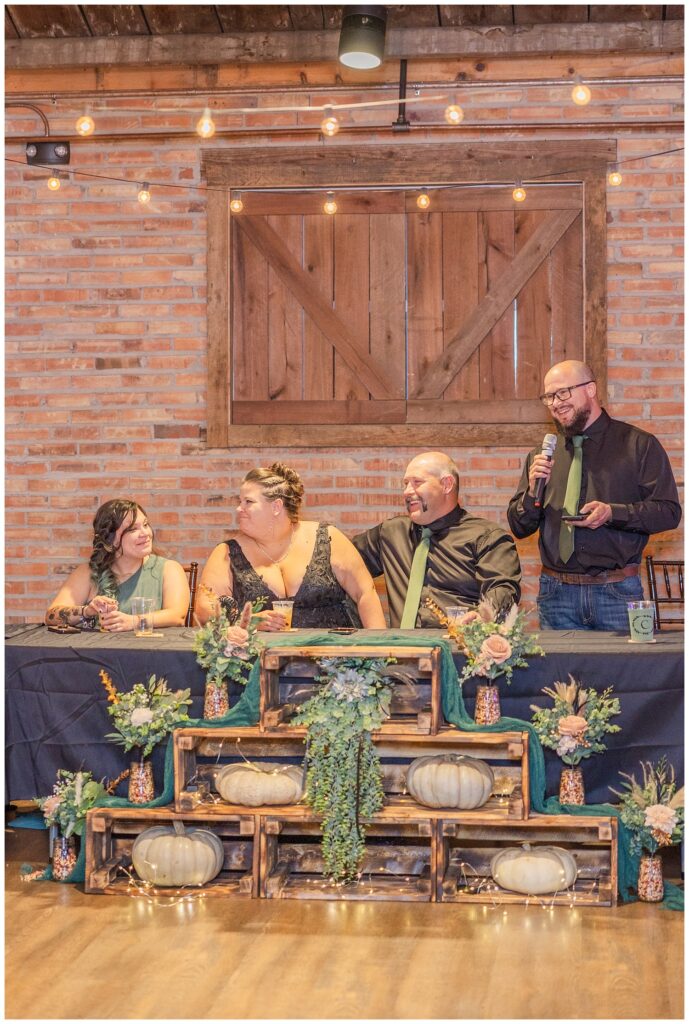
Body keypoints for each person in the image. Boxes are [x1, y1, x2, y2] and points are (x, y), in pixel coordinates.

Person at [507, 359, 681, 631]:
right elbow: (519, 527)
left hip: (617, 591)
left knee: (624, 674)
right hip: (556, 595)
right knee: (557, 675)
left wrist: (613, 513)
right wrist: (531, 492)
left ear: (590, 389)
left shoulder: (638, 445)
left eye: (563, 393)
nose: (555, 402)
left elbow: (669, 512)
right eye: (549, 396)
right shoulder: (542, 457)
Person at [196, 462, 386, 629]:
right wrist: (247, 620)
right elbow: (204, 610)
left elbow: (365, 593)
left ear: (276, 507)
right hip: (259, 661)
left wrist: (378, 651)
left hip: (333, 659)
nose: (239, 508)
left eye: (248, 502)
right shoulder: (227, 553)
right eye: (240, 501)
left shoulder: (328, 538)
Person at [352, 451, 521, 628]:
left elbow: (502, 590)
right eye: (405, 484)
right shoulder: (390, 533)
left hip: (458, 649)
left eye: (417, 482)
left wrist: (483, 616)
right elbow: (341, 561)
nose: (407, 492)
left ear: (447, 484)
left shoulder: (486, 537)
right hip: (400, 651)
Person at [45, 499, 190, 631]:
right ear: (111, 540)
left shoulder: (168, 569)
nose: (145, 533)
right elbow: (51, 616)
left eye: (145, 525)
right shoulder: (89, 572)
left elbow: (177, 616)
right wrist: (86, 611)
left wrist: (132, 622)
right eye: (133, 529)